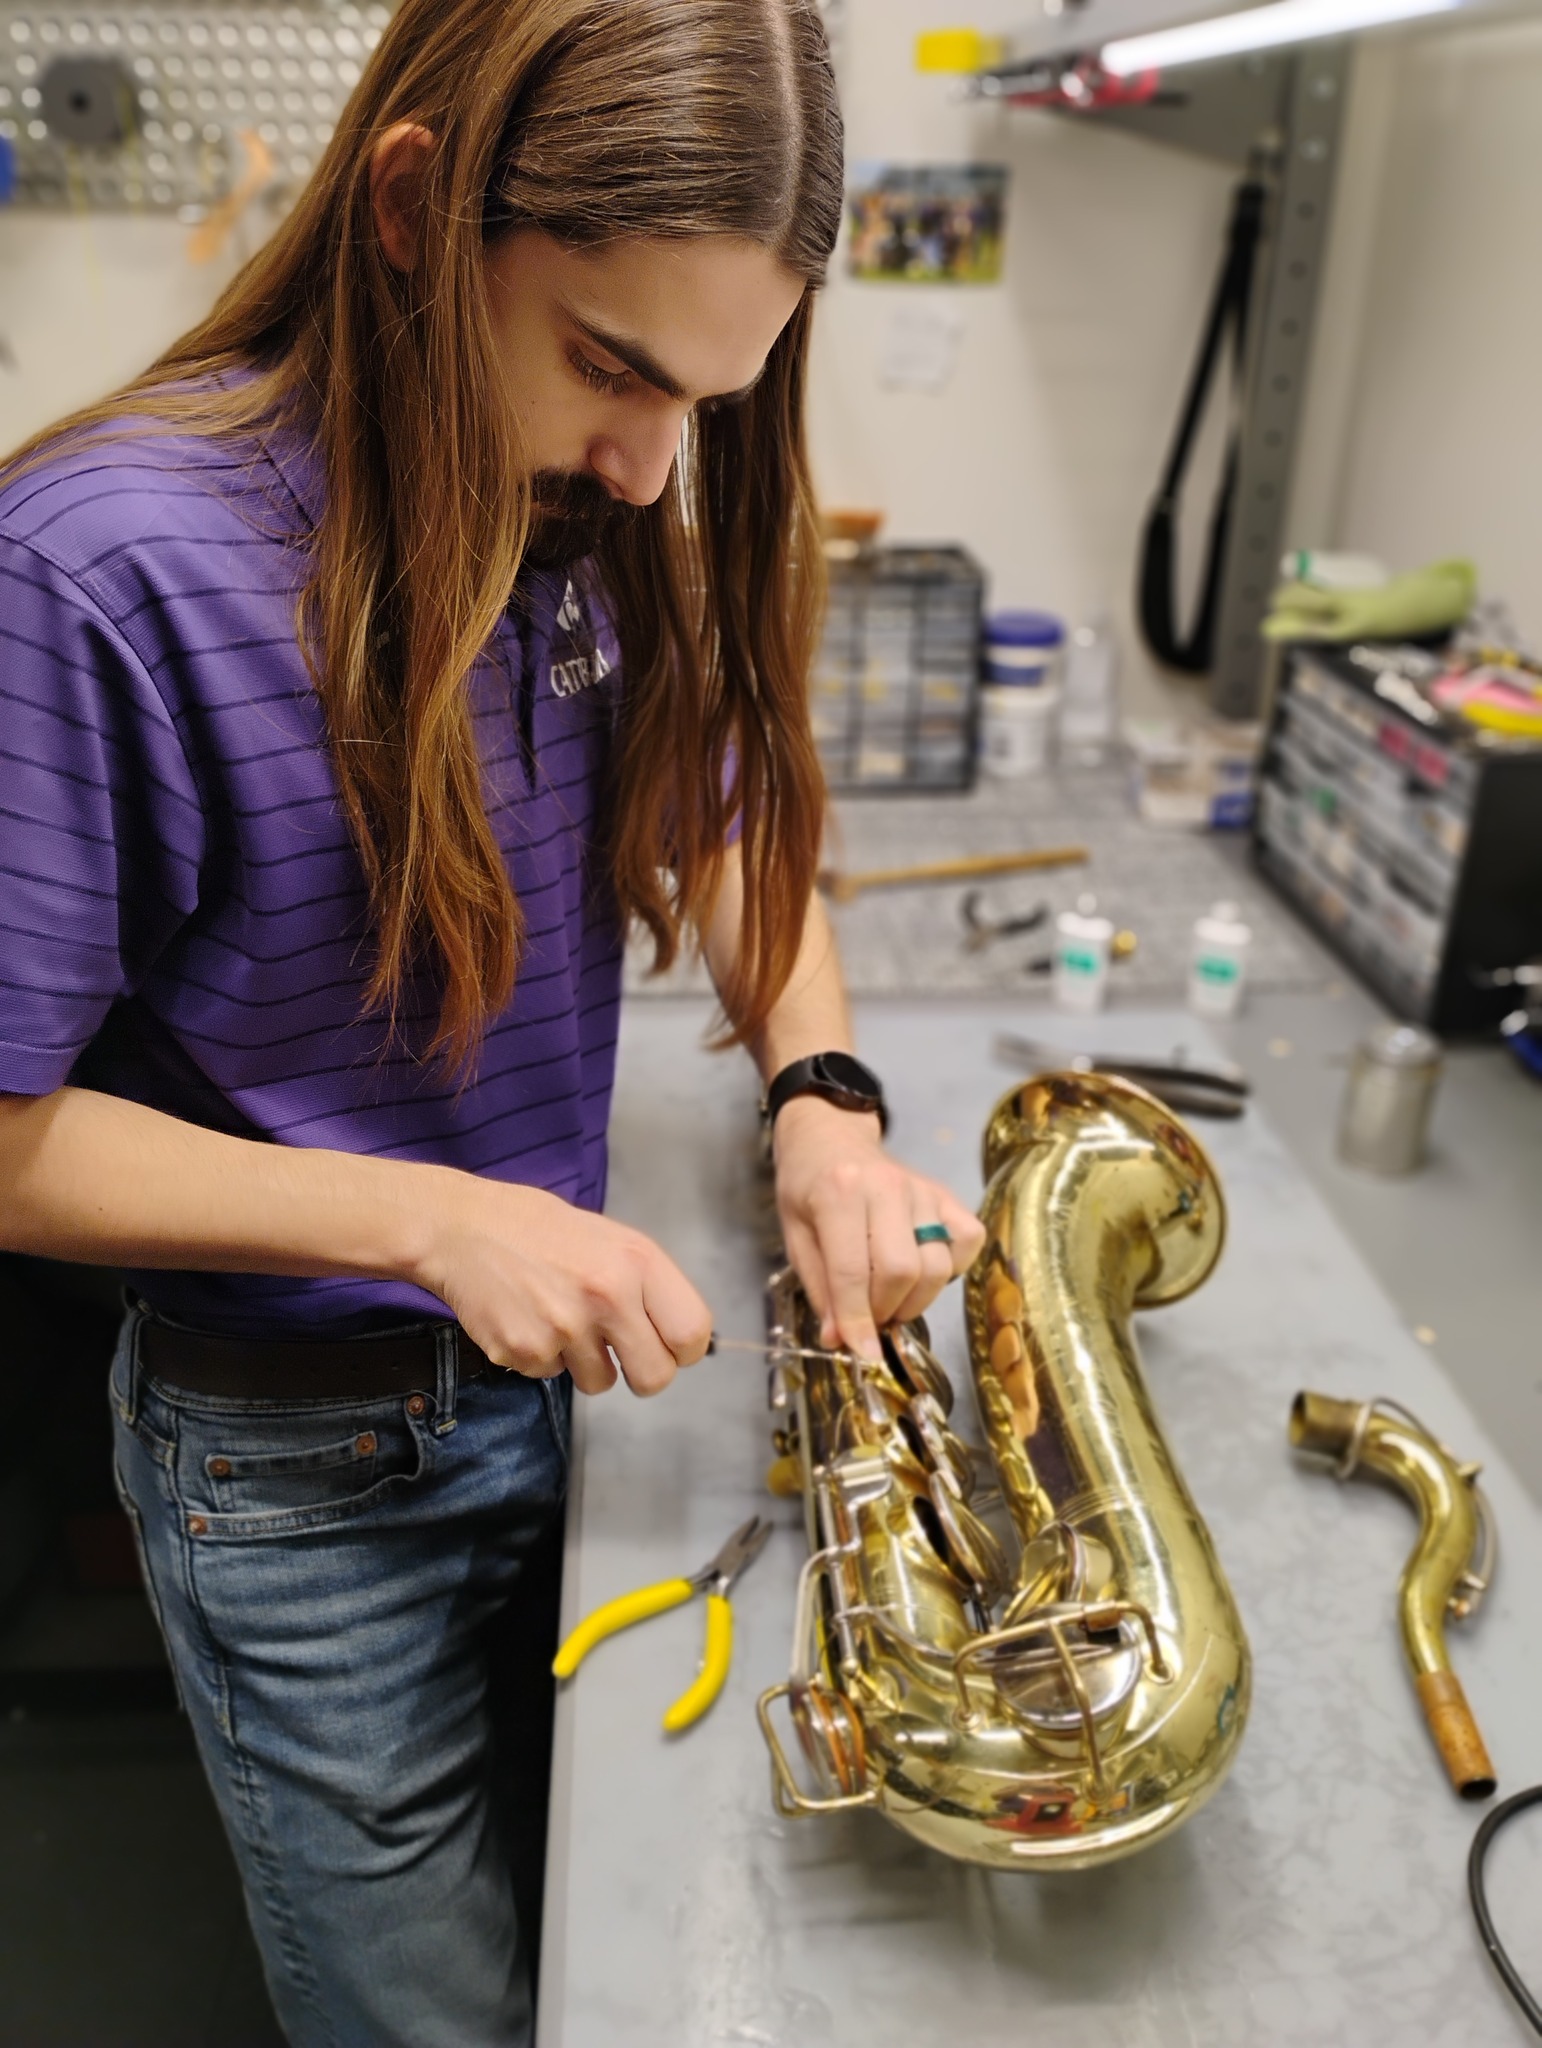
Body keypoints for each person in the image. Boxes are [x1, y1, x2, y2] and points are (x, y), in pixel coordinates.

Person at [0, 1, 985, 2042]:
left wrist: (820, 1093)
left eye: (704, 399)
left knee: (618, 1908)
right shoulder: (98, 572)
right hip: (295, 1474)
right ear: (416, 207)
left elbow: (724, 829)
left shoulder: (585, 509)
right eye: (614, 367)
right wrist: (431, 1218)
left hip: (553, 1401)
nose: (648, 458)